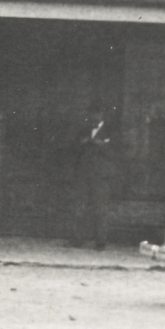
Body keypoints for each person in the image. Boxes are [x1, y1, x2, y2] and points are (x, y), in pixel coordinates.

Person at [73, 107, 122, 251]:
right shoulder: (83, 131)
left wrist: (101, 145)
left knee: (100, 209)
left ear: (103, 114)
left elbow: (116, 152)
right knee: (79, 207)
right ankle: (77, 239)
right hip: (84, 175)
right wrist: (83, 143)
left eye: (98, 113)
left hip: (101, 177)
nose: (95, 116)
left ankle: (100, 242)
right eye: (92, 113)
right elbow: (74, 149)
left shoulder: (111, 132)